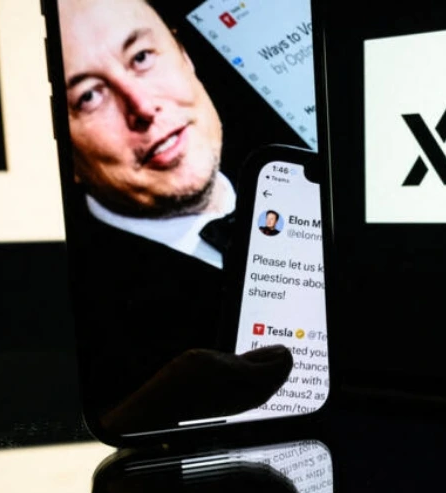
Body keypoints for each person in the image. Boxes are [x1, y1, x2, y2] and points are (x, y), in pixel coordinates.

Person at [58, 0, 290, 434]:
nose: (142, 107)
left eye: (142, 57)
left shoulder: (307, 151)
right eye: (89, 96)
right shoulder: (77, 322)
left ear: (185, 57)